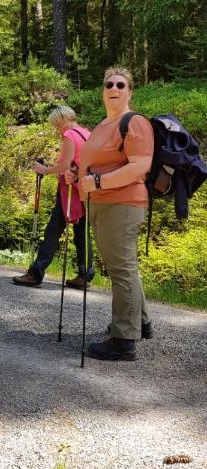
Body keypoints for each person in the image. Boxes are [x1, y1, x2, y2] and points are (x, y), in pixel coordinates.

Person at [73, 67, 154, 362]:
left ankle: (123, 340)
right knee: (124, 266)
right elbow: (94, 163)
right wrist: (76, 175)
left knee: (121, 270)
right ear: (103, 90)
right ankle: (140, 323)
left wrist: (96, 182)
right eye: (109, 83)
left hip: (123, 203)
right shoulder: (103, 125)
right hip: (101, 203)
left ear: (130, 91)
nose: (114, 88)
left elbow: (140, 165)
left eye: (121, 84)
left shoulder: (134, 122)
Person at [13, 105, 95, 289]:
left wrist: (45, 170)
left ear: (61, 120)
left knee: (53, 230)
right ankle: (85, 274)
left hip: (70, 190)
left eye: (56, 125)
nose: (57, 129)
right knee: (82, 233)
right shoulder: (86, 133)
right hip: (85, 189)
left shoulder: (69, 135)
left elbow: (65, 165)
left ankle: (36, 273)